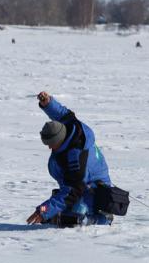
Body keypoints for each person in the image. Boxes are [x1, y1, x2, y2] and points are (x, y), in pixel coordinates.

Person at [26, 91, 115, 227]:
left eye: (51, 144)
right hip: (80, 185)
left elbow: (71, 190)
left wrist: (43, 211)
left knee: (70, 219)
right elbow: (61, 114)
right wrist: (48, 103)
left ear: (60, 140)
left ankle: (102, 218)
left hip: (95, 190)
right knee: (54, 215)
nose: (49, 148)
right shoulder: (70, 127)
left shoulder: (75, 158)